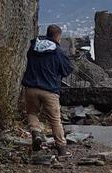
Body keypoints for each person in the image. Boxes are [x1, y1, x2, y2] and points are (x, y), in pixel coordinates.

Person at [21, 24, 73, 156]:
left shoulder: (34, 46)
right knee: (55, 120)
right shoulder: (58, 51)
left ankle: (36, 133)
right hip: (50, 90)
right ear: (58, 37)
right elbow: (67, 69)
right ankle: (61, 148)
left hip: (31, 88)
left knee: (32, 113)